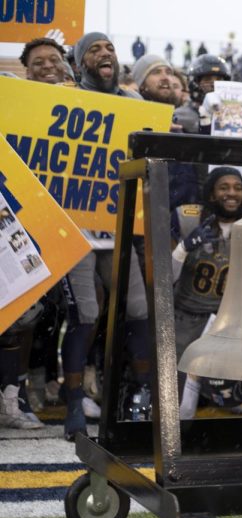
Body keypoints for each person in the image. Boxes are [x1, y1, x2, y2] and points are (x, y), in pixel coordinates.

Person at [59, 33, 151, 440]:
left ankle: (140, 391)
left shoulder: (134, 105)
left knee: (138, 309)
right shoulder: (65, 99)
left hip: (117, 223)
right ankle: (74, 401)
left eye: (109, 47)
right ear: (79, 64)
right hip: (76, 226)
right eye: (94, 49)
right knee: (87, 314)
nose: (105, 53)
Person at [172, 168, 242, 418]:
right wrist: (184, 248)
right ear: (211, 193)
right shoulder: (187, 218)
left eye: (237, 187)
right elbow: (163, 277)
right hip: (187, 317)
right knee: (179, 409)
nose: (232, 193)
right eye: (224, 187)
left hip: (227, 322)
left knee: (233, 401)